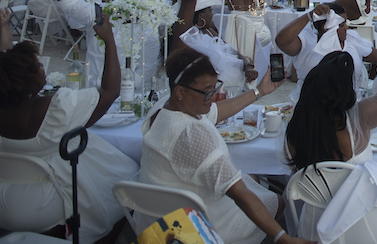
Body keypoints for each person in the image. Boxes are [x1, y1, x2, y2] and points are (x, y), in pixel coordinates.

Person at [0, 15, 139, 243]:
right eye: (38, 65)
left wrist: (3, 27)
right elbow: (110, 91)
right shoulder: (54, 107)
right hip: (47, 202)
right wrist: (110, 40)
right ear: (25, 78)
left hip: (5, 199)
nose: (43, 66)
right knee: (125, 181)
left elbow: (4, 61)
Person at [141, 47, 296, 244]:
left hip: (157, 214)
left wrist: (259, 92)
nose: (213, 97)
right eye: (207, 93)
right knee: (279, 202)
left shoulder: (164, 106)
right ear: (180, 91)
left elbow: (216, 111)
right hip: (196, 225)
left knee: (254, 179)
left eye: (215, 88)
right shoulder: (190, 134)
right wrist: (283, 237)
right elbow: (240, 195)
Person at [286, 2, 377, 169]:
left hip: (306, 194)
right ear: (348, 89)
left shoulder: (293, 130)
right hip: (352, 194)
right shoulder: (360, 118)